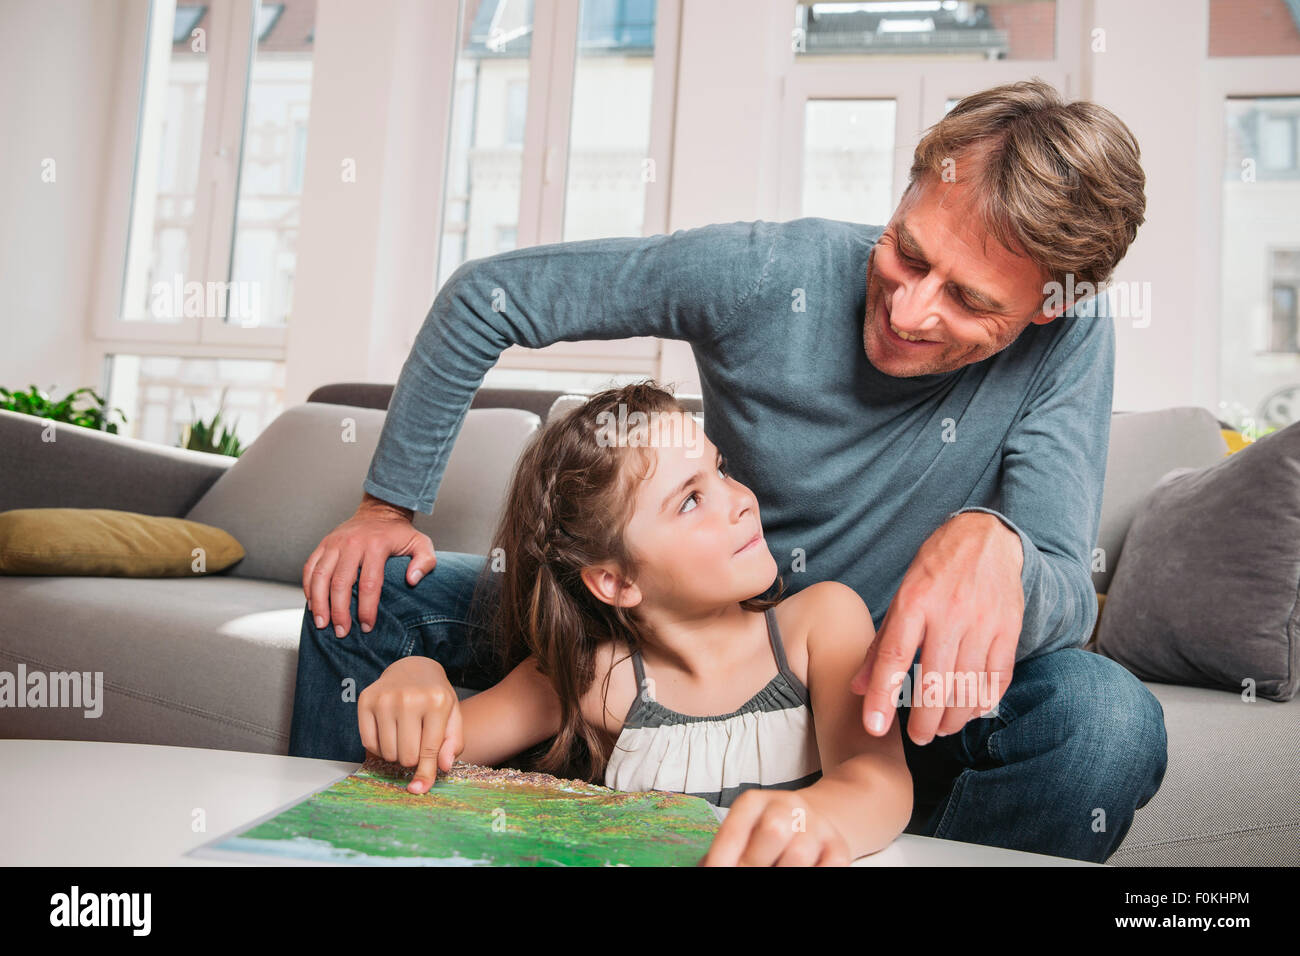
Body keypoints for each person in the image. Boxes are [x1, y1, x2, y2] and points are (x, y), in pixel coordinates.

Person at [290, 78, 1168, 863]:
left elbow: (1064, 587)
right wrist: (384, 509)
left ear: (1054, 302)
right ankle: (327, 848)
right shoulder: (765, 271)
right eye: (906, 251)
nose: (907, 309)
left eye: (971, 300)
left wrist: (999, 548)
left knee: (1104, 725)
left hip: (871, 690)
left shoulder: (1071, 341)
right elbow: (490, 297)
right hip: (690, 626)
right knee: (362, 590)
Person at [354, 384, 913, 865]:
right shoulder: (597, 676)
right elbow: (423, 755)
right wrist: (416, 673)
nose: (740, 501)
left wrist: (810, 815)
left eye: (719, 470)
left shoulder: (821, 624)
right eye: (691, 500)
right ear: (617, 583)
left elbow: (879, 778)